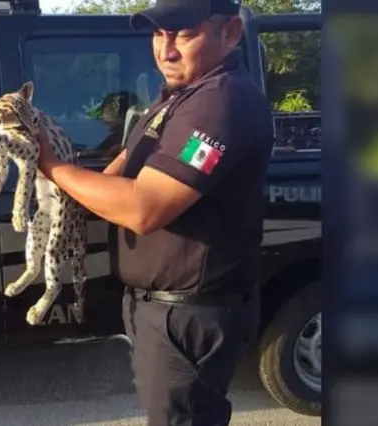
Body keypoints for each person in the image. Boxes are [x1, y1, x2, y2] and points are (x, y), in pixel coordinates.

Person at [35, 0, 275, 424]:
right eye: (158, 35)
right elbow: (117, 175)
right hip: (157, 308)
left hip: (191, 314)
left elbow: (145, 208)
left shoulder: (221, 103)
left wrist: (54, 166)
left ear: (231, 33)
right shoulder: (174, 100)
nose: (166, 50)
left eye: (184, 35)